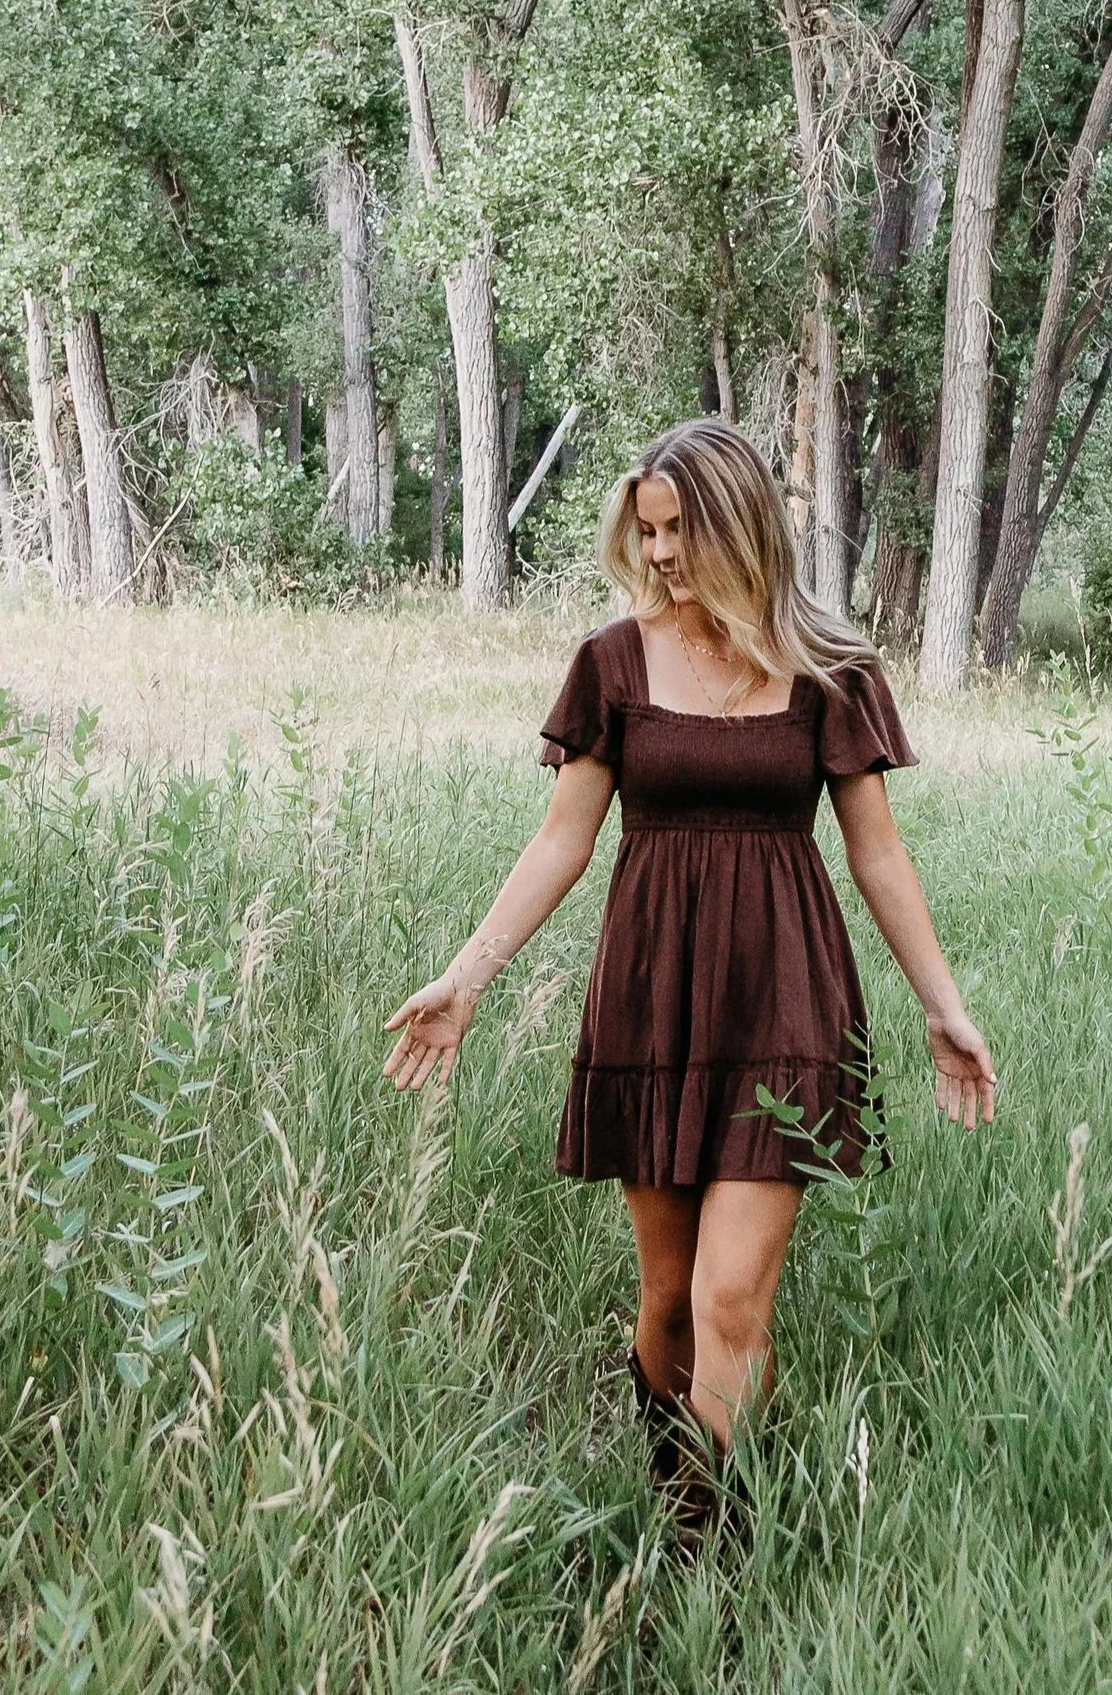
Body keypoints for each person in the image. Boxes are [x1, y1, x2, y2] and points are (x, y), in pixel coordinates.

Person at [380, 418, 996, 1531]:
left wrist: (942, 1006)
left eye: (678, 530)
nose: (658, 553)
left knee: (728, 1295)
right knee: (665, 1300)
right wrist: (466, 976)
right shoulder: (611, 663)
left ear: (739, 525)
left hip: (787, 997)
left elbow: (877, 852)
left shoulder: (831, 671)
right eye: (647, 531)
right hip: (652, 994)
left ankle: (704, 1549)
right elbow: (563, 837)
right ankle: (667, 1496)